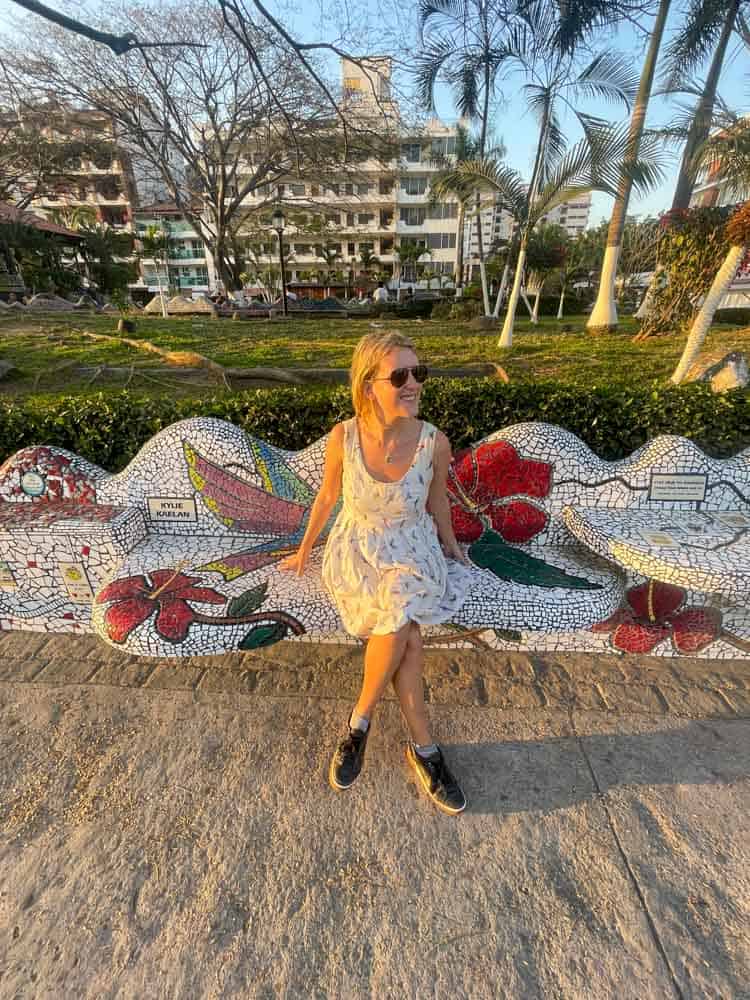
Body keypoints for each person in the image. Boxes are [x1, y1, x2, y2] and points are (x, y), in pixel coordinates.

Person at [279, 331, 473, 815]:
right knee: (405, 630)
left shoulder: (433, 442)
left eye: (418, 374)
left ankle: (359, 723)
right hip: (359, 547)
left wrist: (453, 549)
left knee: (401, 606)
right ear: (368, 386)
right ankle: (425, 750)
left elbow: (437, 503)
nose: (414, 385)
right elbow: (327, 496)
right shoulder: (343, 437)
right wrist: (304, 551)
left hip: (412, 546)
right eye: (400, 376)